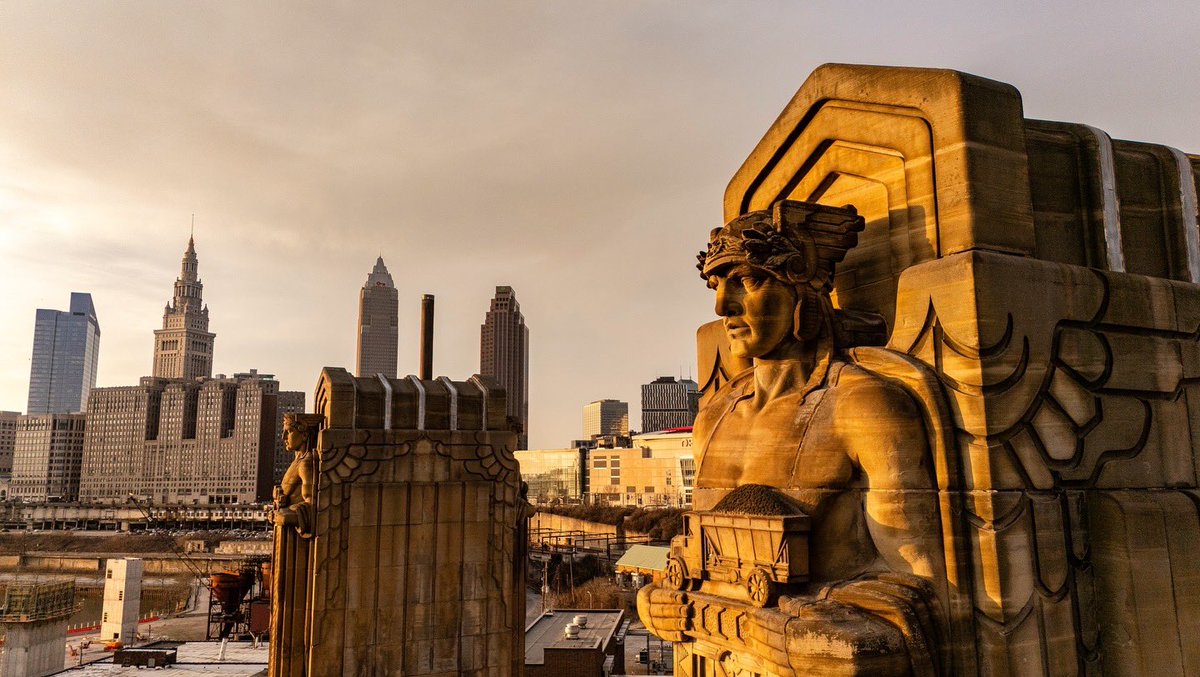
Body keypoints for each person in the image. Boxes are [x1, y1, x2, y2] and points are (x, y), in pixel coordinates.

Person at [639, 200, 946, 676]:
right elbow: (695, 558)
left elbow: (924, 597)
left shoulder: (862, 406)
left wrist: (810, 639)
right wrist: (656, 602)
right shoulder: (714, 416)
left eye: (748, 280)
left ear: (801, 289)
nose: (722, 307)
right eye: (717, 286)